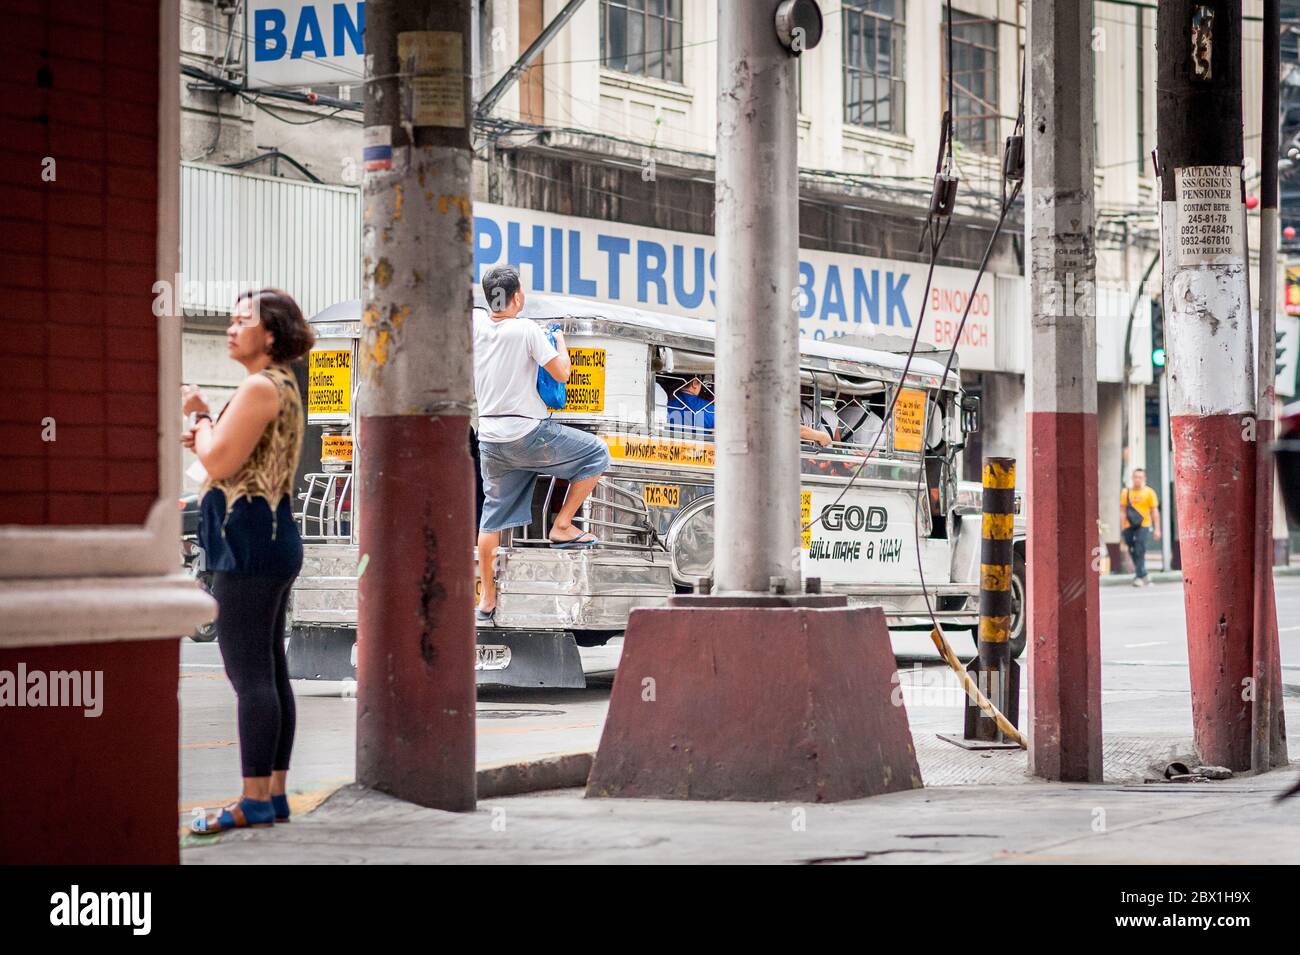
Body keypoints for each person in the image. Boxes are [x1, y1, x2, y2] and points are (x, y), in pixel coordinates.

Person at [182, 288, 314, 833]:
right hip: (266, 540)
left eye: (243, 322)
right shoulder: (276, 385)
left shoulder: (262, 386)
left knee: (248, 673)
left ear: (271, 333)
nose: (231, 329)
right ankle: (273, 793)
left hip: (249, 546)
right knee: (270, 672)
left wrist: (201, 417)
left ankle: (254, 798)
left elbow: (218, 456)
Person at [473, 266, 611, 625]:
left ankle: (487, 597)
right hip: (528, 434)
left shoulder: (474, 325)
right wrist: (559, 343)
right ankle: (563, 524)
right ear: (517, 296)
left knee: (491, 521)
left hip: (489, 438)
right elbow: (562, 373)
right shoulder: (527, 330)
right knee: (597, 453)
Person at [1121, 468, 1161, 587]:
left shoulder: (1149, 492)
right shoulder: (1125, 492)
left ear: (1144, 478)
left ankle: (1138, 577)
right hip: (1128, 525)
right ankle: (1143, 573)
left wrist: (1157, 529)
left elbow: (1154, 512)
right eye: (1135, 477)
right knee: (1132, 549)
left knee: (1139, 548)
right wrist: (1122, 526)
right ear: (1132, 478)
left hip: (1144, 524)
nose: (1137, 479)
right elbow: (1122, 511)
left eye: (1140, 477)